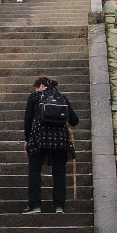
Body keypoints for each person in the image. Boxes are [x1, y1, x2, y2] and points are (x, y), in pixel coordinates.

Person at [23, 75, 80, 214]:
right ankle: (59, 206)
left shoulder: (34, 97)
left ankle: (34, 205)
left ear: (41, 86)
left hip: (38, 138)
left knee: (34, 171)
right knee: (59, 172)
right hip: (60, 140)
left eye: (37, 88)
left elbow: (28, 120)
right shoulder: (62, 98)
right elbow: (74, 120)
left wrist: (27, 140)